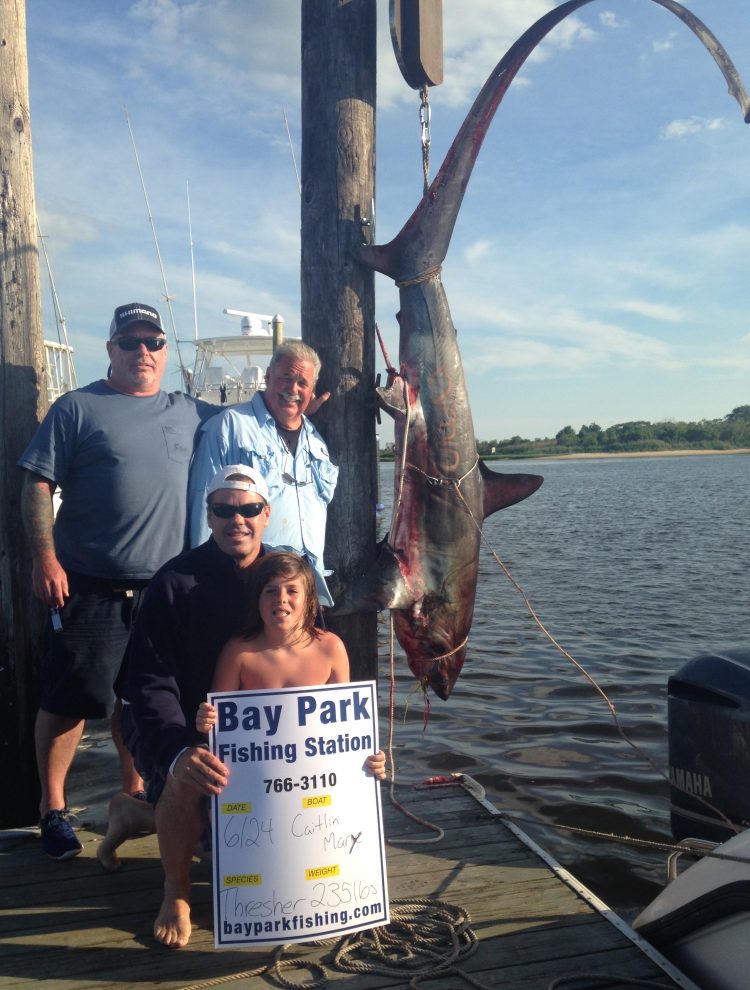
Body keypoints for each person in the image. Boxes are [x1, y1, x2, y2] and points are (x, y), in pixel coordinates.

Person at [17, 302, 215, 861]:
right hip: (90, 585)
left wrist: (297, 403)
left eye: (152, 342)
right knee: (71, 700)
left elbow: (253, 422)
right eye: (130, 343)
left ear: (165, 352)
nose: (142, 353)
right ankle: (52, 809)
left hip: (166, 593)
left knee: (146, 701)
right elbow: (36, 482)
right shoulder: (77, 407)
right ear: (110, 349)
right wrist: (43, 557)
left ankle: (135, 794)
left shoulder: (190, 411)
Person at [187, 340, 338, 604]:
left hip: (302, 586)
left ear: (312, 390)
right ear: (268, 376)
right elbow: (204, 504)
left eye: (303, 383)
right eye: (286, 378)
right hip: (247, 582)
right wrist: (203, 581)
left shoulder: (316, 440)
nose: (293, 389)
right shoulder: (229, 426)